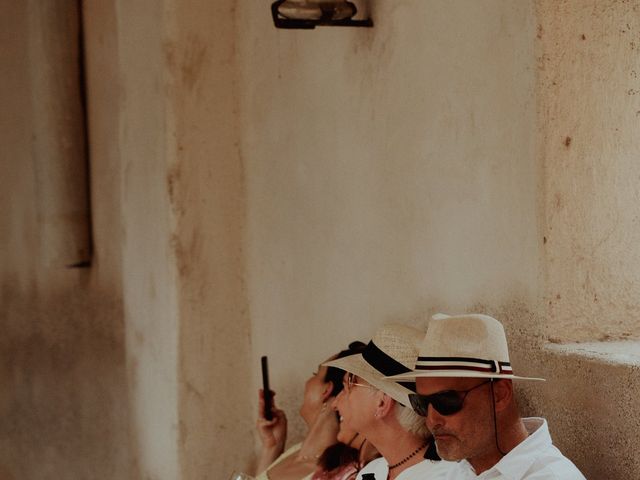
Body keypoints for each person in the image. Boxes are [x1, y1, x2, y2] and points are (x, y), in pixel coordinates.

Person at [392, 313, 586, 479]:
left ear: (500, 394)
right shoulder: (455, 470)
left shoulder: (551, 476)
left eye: (446, 401)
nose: (431, 420)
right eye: (421, 404)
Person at [326, 324, 453, 480]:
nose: (334, 403)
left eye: (348, 386)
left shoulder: (445, 475)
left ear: (382, 402)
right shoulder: (373, 470)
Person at [255, 342, 367, 480]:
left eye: (316, 374)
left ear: (326, 390)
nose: (307, 381)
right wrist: (272, 446)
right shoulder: (295, 451)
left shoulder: (337, 473)